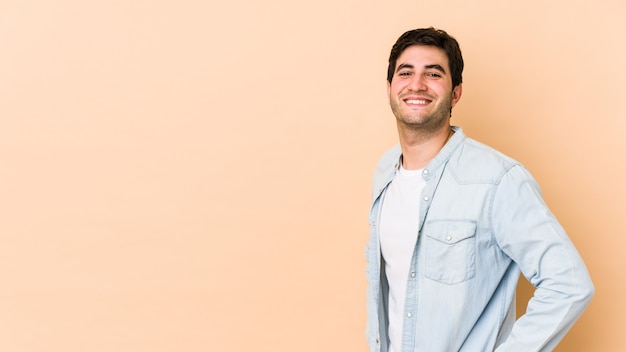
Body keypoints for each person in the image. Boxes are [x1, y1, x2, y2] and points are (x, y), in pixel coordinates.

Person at [365, 27, 594, 352]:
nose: (416, 84)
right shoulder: (385, 172)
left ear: (455, 92)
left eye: (433, 73)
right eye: (406, 72)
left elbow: (569, 284)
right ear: (390, 88)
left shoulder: (499, 180)